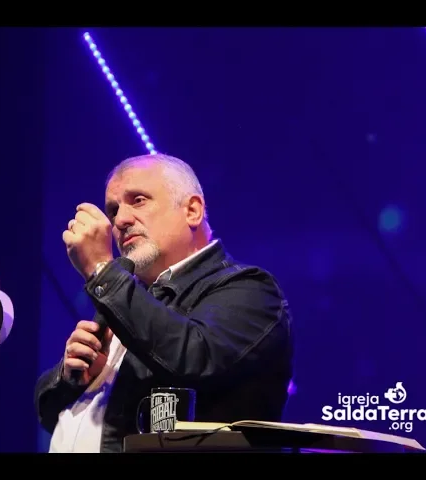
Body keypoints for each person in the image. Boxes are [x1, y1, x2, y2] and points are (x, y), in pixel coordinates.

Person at [35, 154, 293, 453]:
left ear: (192, 211)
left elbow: (193, 359)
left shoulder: (251, 289)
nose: (120, 220)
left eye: (138, 200)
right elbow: (47, 412)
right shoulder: (127, 296)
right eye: (113, 210)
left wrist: (101, 269)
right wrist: (70, 378)